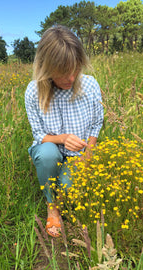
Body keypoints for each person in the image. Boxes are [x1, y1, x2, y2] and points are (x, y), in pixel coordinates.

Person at [25, 25, 104, 237]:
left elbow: (97, 123)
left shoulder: (90, 85)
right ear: (46, 68)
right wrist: (63, 138)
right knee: (47, 154)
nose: (70, 78)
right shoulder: (34, 92)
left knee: (68, 188)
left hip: (79, 154)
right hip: (50, 147)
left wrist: (88, 155)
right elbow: (39, 135)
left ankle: (58, 185)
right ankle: (52, 206)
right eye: (62, 73)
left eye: (75, 70)